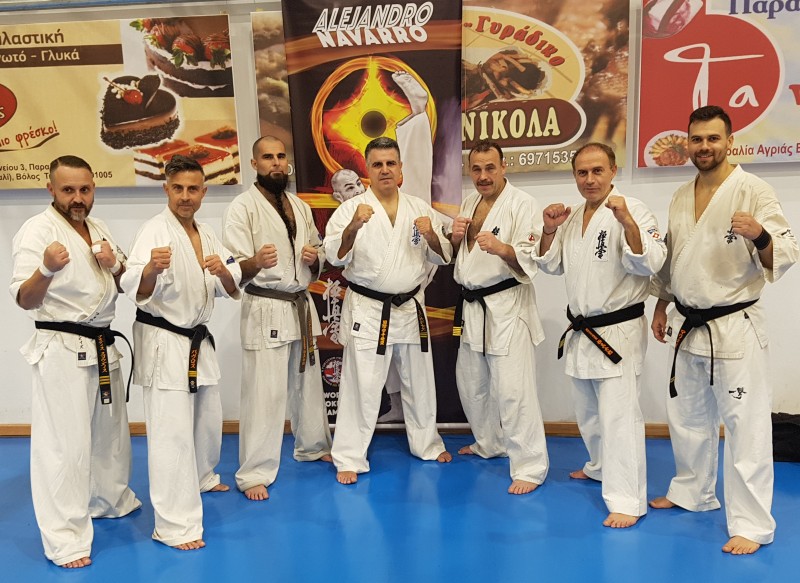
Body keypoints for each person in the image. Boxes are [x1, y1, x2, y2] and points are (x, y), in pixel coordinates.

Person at [650, 105, 798, 554]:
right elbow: (673, 257)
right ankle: (692, 492)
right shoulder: (681, 194)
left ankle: (752, 524)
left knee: (744, 426)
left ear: (730, 141)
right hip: (687, 322)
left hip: (734, 326)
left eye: (713, 138)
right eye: (697, 139)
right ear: (687, 143)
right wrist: (661, 304)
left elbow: (785, 251)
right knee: (687, 416)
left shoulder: (753, 190)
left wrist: (760, 235)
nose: (704, 147)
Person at [9, 155, 141, 568]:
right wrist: (46, 269)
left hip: (101, 343)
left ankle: (109, 499)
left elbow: (125, 283)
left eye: (85, 189)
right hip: (62, 348)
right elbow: (24, 299)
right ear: (51, 189)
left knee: (109, 435)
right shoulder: (37, 231)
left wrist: (116, 265)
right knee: (63, 448)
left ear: (93, 188)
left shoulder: (98, 228)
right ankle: (64, 539)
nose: (78, 198)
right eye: (68, 190)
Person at [536, 143, 666, 526]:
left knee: (619, 417)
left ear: (612, 171)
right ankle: (599, 466)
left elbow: (651, 262)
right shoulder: (573, 216)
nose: (590, 179)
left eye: (597, 171)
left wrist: (627, 223)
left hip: (617, 332)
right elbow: (551, 264)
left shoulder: (633, 209)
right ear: (575, 176)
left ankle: (628, 500)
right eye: (582, 172)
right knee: (589, 411)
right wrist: (548, 229)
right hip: (582, 330)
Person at [120, 154, 242, 550]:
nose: (185, 196)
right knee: (170, 435)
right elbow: (132, 286)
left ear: (203, 192)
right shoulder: (153, 231)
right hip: (164, 341)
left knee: (207, 420)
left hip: (196, 340)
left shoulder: (207, 233)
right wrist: (151, 270)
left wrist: (224, 273)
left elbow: (232, 282)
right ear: (166, 190)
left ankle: (202, 477)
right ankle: (174, 526)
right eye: (178, 189)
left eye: (192, 189)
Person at [324, 136, 453, 484]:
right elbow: (335, 257)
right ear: (367, 169)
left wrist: (431, 235)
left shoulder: (418, 207)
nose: (384, 170)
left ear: (400, 168)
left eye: (390, 163)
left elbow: (443, 256)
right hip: (369, 309)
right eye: (377, 164)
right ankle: (349, 456)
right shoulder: (350, 210)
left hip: (410, 307)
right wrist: (353, 227)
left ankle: (427, 443)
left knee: (419, 380)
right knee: (362, 384)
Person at [223, 136, 332, 502]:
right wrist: (256, 262)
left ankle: (313, 445)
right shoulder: (242, 207)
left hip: (299, 303)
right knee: (264, 394)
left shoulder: (299, 205)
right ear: (254, 164)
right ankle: (254, 472)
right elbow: (232, 266)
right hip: (265, 305)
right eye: (267, 157)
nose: (276, 163)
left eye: (280, 156)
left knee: (308, 384)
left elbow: (318, 249)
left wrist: (315, 258)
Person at [450, 140, 548, 495]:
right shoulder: (469, 203)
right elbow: (462, 257)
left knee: (513, 391)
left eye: (490, 168)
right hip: (473, 307)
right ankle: (489, 442)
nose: (483, 176)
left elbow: (531, 259)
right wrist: (455, 238)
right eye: (476, 169)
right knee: (471, 383)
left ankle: (530, 466)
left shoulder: (522, 204)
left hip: (507, 307)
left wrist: (502, 248)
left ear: (503, 167)